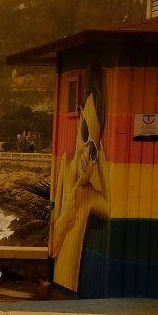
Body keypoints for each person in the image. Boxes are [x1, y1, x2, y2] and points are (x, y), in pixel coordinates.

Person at [50, 66, 110, 294]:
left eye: (93, 149)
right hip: (61, 282)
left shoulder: (90, 195)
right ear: (78, 124)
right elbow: (53, 250)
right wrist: (66, 216)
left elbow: (111, 209)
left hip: (71, 286)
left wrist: (100, 161)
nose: (86, 152)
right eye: (85, 133)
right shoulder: (64, 167)